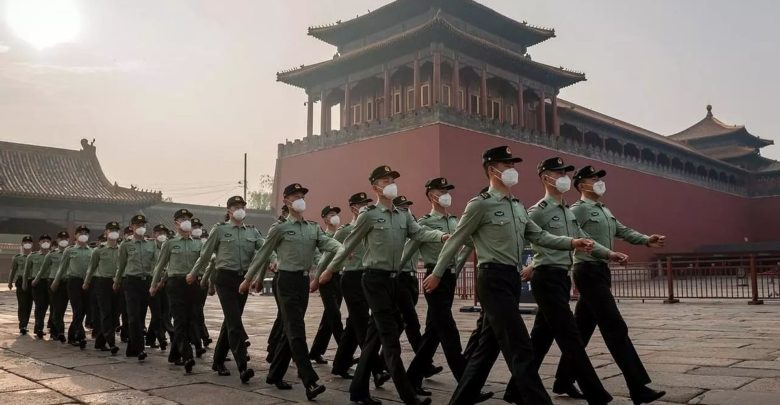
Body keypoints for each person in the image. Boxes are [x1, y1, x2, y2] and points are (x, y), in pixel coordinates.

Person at [423, 146, 594, 405]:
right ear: (492, 170)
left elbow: (539, 236)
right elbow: (456, 240)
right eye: (507, 166)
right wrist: (438, 273)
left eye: (513, 165)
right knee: (520, 346)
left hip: (511, 279)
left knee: (486, 349)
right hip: (492, 280)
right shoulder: (480, 204)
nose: (513, 170)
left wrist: (572, 243)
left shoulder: (517, 206)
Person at [320, 165, 448, 405]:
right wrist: (329, 270)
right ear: (375, 186)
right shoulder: (368, 215)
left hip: (394, 280)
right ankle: (409, 396)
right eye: (385, 179)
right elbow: (348, 245)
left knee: (374, 337)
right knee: (389, 338)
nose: (390, 182)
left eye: (392, 178)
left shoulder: (403, 215)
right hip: (374, 280)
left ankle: (358, 391)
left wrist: (440, 236)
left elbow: (419, 233)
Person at [505, 157, 627, 405]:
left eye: (564, 172)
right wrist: (533, 264)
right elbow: (530, 238)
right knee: (570, 336)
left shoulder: (567, 212)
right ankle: (596, 394)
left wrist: (609, 253)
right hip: (546, 278)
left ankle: (515, 390)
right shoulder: (537, 211)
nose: (563, 176)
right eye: (557, 172)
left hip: (561, 277)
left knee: (540, 337)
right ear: (545, 177)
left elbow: (582, 239)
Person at [553, 165, 667, 405]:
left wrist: (646, 240)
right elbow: (581, 239)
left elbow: (621, 230)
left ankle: (563, 380)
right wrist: (609, 254)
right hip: (587, 272)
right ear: (582, 184)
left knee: (580, 331)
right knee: (615, 327)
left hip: (600, 272)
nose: (599, 182)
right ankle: (638, 387)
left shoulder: (603, 210)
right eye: (594, 179)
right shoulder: (578, 210)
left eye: (599, 179)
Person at [240, 183, 340, 400]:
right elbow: (262, 254)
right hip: (285, 281)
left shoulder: (313, 227)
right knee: (296, 331)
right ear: (286, 201)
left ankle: (275, 374)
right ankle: (310, 380)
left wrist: (343, 250)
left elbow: (327, 244)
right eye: (296, 195)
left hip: (302, 282)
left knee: (289, 331)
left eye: (302, 195)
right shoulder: (280, 228)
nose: (300, 199)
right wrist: (248, 279)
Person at [399, 178, 491, 402]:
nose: (447, 194)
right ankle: (467, 386)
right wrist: (394, 274)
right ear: (431, 195)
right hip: (434, 279)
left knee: (432, 334)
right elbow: (409, 249)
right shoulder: (425, 222)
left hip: (448, 279)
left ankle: (411, 380)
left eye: (448, 190)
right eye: (442, 191)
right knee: (449, 334)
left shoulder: (454, 221)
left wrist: (457, 269)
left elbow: (467, 243)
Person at [187, 195, 262, 384]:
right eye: (236, 206)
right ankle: (242, 366)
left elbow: (265, 248)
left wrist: (276, 260)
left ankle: (218, 361)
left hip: (242, 279)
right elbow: (205, 255)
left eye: (242, 206)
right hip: (224, 279)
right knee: (235, 322)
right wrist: (194, 273)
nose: (240, 209)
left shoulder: (252, 232)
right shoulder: (219, 230)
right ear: (228, 210)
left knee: (231, 321)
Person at [151, 208, 203, 374]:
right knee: (180, 320)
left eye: (188, 218)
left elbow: (202, 264)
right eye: (182, 218)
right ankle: (187, 356)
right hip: (175, 284)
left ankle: (174, 354)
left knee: (191, 319)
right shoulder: (170, 243)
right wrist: (154, 285)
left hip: (192, 283)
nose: (186, 220)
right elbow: (160, 266)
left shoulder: (198, 243)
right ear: (176, 223)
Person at [114, 214, 156, 361]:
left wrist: (156, 281)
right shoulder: (125, 245)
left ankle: (132, 348)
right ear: (132, 227)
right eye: (138, 225)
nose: (141, 228)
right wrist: (117, 281)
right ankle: (140, 349)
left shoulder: (152, 244)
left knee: (141, 316)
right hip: (130, 282)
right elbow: (121, 265)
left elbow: (155, 263)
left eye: (143, 225)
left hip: (146, 282)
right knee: (132, 316)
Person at [308, 205, 345, 365]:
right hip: (325, 279)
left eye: (336, 214)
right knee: (335, 316)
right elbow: (318, 259)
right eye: (331, 214)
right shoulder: (321, 237)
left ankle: (316, 351)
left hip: (339, 278)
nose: (334, 217)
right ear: (324, 219)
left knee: (329, 317)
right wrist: (316, 278)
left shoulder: (341, 235)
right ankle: (345, 353)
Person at [84, 221, 122, 355]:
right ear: (106, 232)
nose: (113, 232)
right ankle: (111, 342)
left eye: (116, 229)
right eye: (111, 229)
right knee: (105, 313)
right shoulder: (99, 250)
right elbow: (91, 268)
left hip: (117, 283)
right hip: (102, 284)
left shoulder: (122, 249)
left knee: (115, 314)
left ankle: (100, 342)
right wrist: (87, 282)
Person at [52, 225, 94, 348]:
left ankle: (76, 334)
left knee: (85, 310)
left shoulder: (92, 251)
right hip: (73, 282)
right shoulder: (69, 250)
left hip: (87, 283)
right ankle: (76, 336)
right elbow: (62, 267)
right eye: (80, 232)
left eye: (85, 232)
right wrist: (56, 281)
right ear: (75, 235)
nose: (83, 234)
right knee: (78, 309)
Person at [35, 231, 70, 343]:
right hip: (53, 283)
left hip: (66, 282)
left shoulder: (72, 253)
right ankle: (59, 332)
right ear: (57, 240)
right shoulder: (51, 255)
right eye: (61, 238)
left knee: (61, 308)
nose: (63, 240)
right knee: (55, 307)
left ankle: (56, 331)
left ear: (68, 240)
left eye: (65, 238)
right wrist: (36, 279)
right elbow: (43, 269)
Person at [23, 234, 53, 339]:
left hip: (50, 282)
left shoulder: (54, 255)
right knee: (40, 306)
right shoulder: (32, 256)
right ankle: (39, 328)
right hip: (37, 283)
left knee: (53, 306)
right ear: (39, 243)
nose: (45, 242)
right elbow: (26, 272)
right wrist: (24, 283)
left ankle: (53, 328)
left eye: (48, 241)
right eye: (43, 240)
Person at [8, 235, 34, 335]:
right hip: (20, 281)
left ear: (32, 244)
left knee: (29, 304)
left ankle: (25, 324)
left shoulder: (35, 256)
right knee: (22, 304)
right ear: (22, 244)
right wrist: (10, 282)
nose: (27, 244)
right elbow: (13, 270)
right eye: (25, 242)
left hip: (31, 282)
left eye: (29, 242)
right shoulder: (17, 258)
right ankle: (22, 325)